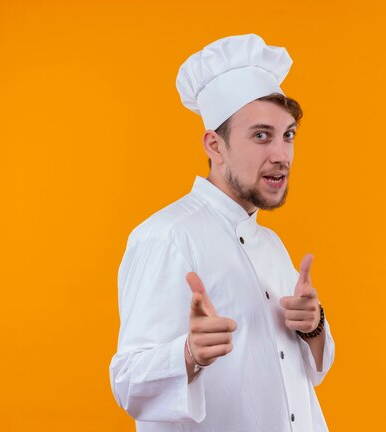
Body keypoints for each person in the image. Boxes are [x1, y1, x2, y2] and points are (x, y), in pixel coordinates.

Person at [109, 34, 335, 432]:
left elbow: (302, 377)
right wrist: (188, 354)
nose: (281, 154)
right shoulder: (167, 237)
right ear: (215, 145)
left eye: (289, 135)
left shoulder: (271, 244)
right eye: (261, 135)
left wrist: (313, 326)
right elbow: (128, 382)